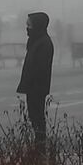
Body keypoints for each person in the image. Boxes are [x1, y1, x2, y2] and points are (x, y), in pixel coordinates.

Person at [17, 12, 54, 146]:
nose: (27, 28)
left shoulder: (43, 42)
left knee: (37, 116)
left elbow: (40, 67)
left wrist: (32, 82)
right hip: (33, 86)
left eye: (29, 25)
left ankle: (40, 142)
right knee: (34, 116)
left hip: (37, 87)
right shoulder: (36, 41)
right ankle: (39, 141)